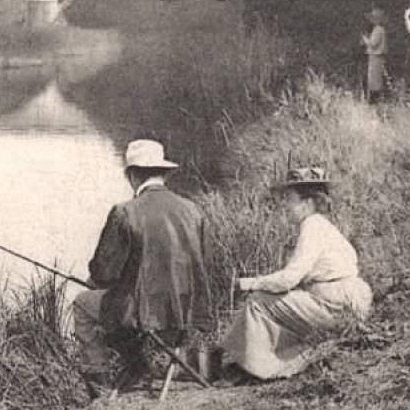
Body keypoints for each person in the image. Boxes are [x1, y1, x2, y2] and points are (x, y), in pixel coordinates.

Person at [73, 139, 210, 393]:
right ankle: (138, 366)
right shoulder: (194, 210)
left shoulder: (125, 212)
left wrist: (95, 282)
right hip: (186, 311)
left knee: (83, 304)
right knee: (114, 302)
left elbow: (103, 273)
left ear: (132, 175)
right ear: (163, 173)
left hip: (142, 313)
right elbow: (198, 262)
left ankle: (100, 380)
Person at [220, 167, 373, 380]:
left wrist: (250, 283)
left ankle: (257, 368)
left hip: (336, 305)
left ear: (307, 204)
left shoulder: (312, 227)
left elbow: (289, 279)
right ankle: (261, 360)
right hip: (348, 301)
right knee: (279, 300)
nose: (285, 206)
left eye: (289, 200)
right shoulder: (323, 226)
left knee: (258, 301)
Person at [360, 7, 388, 102]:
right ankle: (375, 98)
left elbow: (373, 44)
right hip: (375, 56)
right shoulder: (379, 29)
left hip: (376, 56)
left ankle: (375, 99)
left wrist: (365, 39)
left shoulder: (378, 29)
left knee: (374, 79)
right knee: (374, 78)